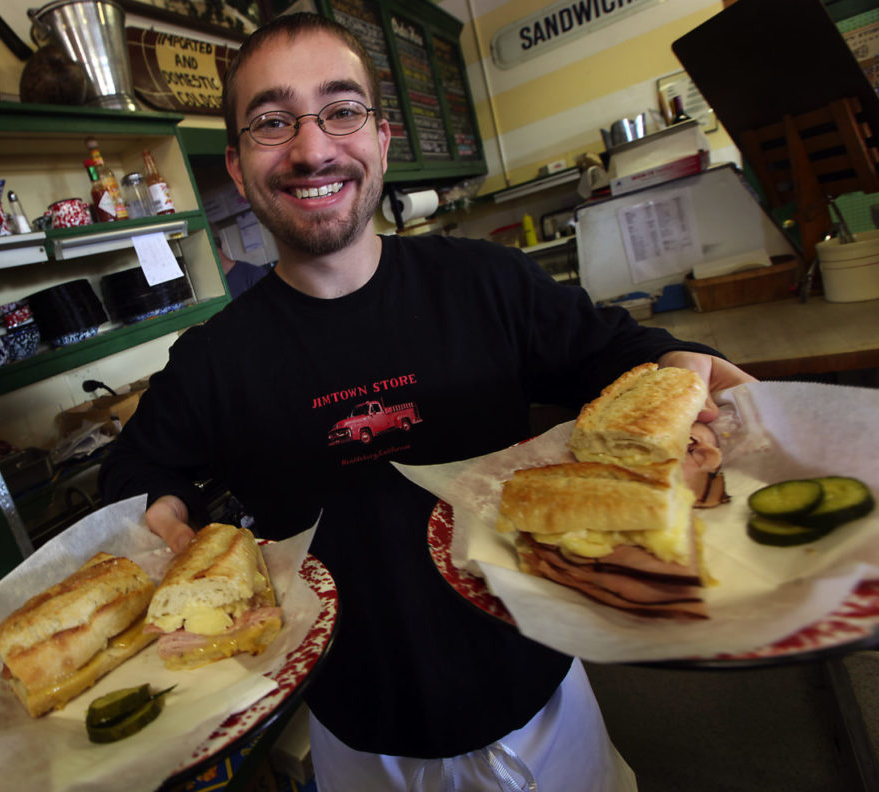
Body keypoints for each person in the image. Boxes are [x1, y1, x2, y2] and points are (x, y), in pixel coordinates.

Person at [98, 12, 756, 791]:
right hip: (359, 737)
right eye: (272, 122)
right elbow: (136, 480)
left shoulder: (487, 282)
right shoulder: (211, 359)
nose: (312, 149)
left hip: (545, 696)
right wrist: (159, 517)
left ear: (381, 139)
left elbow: (615, 352)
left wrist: (680, 362)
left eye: (341, 111)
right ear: (238, 167)